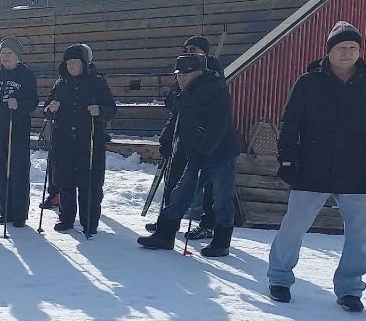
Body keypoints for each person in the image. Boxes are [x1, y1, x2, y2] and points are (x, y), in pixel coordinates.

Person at [267, 22, 366, 311]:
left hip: (358, 171)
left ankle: (350, 289)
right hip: (311, 170)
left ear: (360, 51)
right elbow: (290, 125)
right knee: (292, 228)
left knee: (359, 236)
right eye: (341, 47)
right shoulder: (308, 82)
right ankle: (279, 278)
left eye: (353, 48)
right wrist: (287, 160)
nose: (347, 52)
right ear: (329, 51)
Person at [137, 54, 239, 257]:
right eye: (179, 74)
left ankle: (221, 242)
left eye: (186, 74)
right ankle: (165, 235)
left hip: (220, 153)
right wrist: (168, 142)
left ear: (199, 72)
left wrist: (204, 152)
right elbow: (176, 119)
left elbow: (217, 127)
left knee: (222, 199)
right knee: (180, 193)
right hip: (195, 153)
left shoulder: (215, 90)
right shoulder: (183, 92)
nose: (181, 78)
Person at [152, 35, 228, 236]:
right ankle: (167, 223)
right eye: (186, 49)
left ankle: (208, 225)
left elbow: (215, 113)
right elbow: (173, 105)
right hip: (183, 134)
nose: (189, 52)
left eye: (193, 49)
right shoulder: (182, 71)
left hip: (206, 140)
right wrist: (166, 139)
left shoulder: (212, 73)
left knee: (211, 188)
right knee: (175, 181)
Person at [43, 44, 117, 236]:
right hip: (65, 141)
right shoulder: (60, 83)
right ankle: (66, 219)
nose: (72, 66)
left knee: (89, 184)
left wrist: (99, 110)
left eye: (76, 62)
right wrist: (51, 108)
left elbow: (111, 109)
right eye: (69, 62)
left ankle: (89, 222)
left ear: (84, 64)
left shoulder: (97, 82)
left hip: (90, 141)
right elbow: (46, 109)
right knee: (66, 184)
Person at [0, 37, 38, 227]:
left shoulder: (26, 75)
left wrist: (18, 104)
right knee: (0, 170)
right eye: (3, 53)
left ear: (17, 56)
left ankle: (20, 214)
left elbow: (33, 103)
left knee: (18, 171)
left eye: (9, 53)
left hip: (18, 130)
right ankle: (5, 211)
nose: (5, 57)